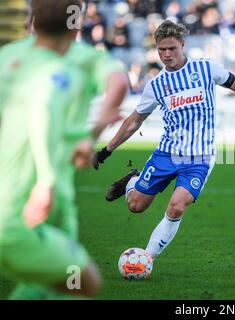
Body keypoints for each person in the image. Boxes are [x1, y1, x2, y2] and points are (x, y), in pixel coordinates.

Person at [92, 20, 235, 261]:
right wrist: (107, 150)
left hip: (199, 158)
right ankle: (133, 180)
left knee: (176, 206)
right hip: (166, 155)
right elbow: (134, 121)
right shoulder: (157, 85)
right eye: (161, 49)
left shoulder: (206, 68)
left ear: (182, 45)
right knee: (135, 206)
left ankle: (146, 258)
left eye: (172, 49)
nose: (167, 54)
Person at [2, 1, 129, 300]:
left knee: (59, 285)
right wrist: (93, 132)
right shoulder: (59, 69)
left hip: (58, 201)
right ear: (76, 24)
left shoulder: (7, 57)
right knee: (83, 282)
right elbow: (43, 113)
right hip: (30, 203)